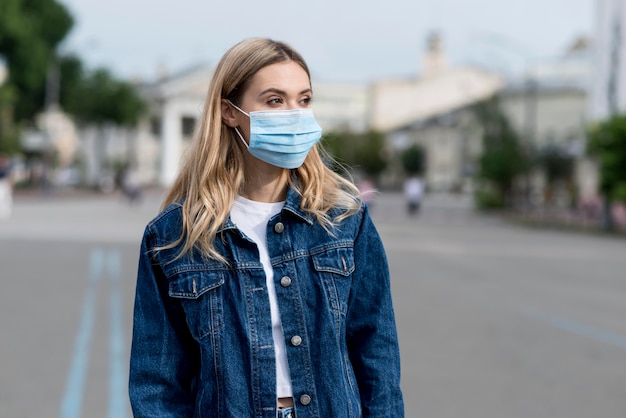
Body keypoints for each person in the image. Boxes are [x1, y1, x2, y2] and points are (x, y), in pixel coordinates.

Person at [129, 38, 404, 418]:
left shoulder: (344, 221)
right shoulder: (175, 235)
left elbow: (377, 352)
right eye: (275, 100)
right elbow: (158, 383)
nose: (295, 114)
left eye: (303, 100)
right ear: (230, 112)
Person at [0, 153, 13, 220]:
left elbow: (9, 177)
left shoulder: (7, 168)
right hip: (1, 183)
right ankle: (2, 211)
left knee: (7, 198)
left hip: (5, 182)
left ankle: (6, 211)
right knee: (1, 197)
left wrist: (10, 184)